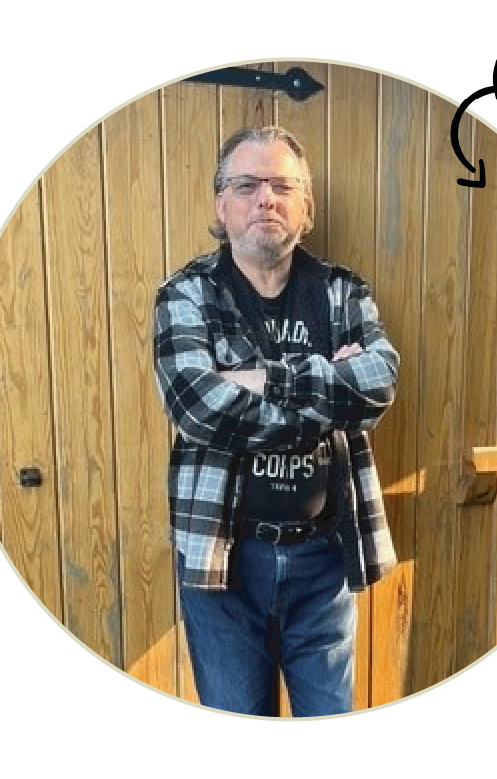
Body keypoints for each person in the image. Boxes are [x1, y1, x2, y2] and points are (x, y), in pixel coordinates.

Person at [153, 126, 399, 718]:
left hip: (324, 563)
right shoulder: (188, 295)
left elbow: (378, 386)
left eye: (282, 186)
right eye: (247, 185)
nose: (265, 198)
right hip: (224, 562)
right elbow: (197, 403)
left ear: (305, 208)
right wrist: (324, 393)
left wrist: (257, 379)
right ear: (222, 205)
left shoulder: (343, 293)